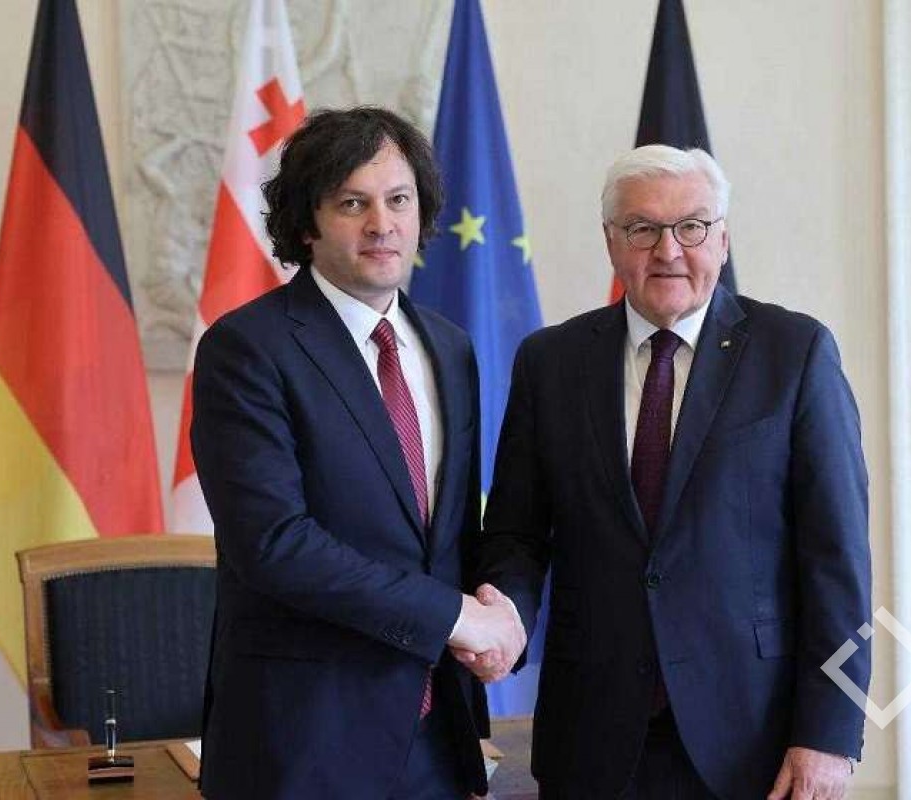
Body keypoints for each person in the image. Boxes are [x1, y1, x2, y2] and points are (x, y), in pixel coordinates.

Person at [476, 145, 871, 800]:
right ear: (611, 241)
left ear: (723, 238)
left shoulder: (794, 353)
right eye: (643, 228)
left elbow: (839, 560)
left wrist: (830, 733)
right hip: (591, 736)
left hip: (753, 738)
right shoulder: (550, 361)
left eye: (691, 226)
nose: (668, 250)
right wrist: (505, 616)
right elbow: (516, 534)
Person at [190, 106, 526, 800]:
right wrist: (455, 617)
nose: (382, 224)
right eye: (353, 203)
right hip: (304, 741)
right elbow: (273, 544)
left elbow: (451, 535)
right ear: (306, 224)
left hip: (438, 736)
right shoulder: (247, 348)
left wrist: (503, 611)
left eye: (399, 200)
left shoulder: (449, 346)